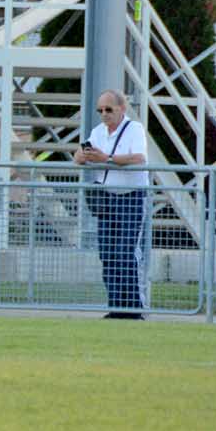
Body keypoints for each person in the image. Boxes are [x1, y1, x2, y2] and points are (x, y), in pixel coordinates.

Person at [73, 90, 150, 319]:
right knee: (107, 253)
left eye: (109, 109)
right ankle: (115, 306)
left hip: (131, 196)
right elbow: (78, 157)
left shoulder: (134, 129)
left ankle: (133, 308)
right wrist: (85, 155)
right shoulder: (97, 132)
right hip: (106, 197)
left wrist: (105, 159)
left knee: (126, 252)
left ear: (121, 109)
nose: (104, 114)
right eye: (100, 111)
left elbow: (139, 158)